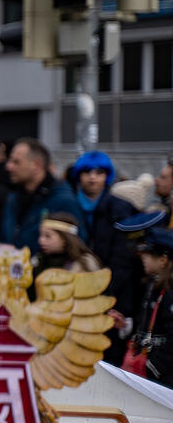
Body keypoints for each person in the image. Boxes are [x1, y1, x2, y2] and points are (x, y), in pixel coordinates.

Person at [69, 151, 137, 363]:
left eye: (99, 172)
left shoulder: (120, 209)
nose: (92, 177)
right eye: (87, 172)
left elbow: (123, 259)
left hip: (112, 295)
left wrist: (105, 293)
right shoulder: (70, 205)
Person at [1, 138, 83, 254]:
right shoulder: (13, 199)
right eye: (10, 161)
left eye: (16, 162)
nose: (8, 167)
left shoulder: (62, 201)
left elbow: (77, 245)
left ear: (36, 165)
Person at [115, 226, 173, 387]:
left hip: (162, 377)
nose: (142, 258)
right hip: (147, 369)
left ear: (163, 260)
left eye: (148, 254)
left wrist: (153, 367)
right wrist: (126, 326)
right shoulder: (152, 285)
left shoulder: (169, 292)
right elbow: (147, 324)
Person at [33, 213, 102, 277]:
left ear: (65, 238)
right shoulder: (37, 261)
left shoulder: (84, 265)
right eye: (40, 235)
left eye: (47, 236)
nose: (40, 241)